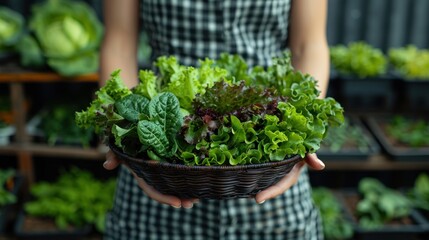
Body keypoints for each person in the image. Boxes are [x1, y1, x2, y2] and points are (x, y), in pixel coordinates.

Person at [100, 0, 328, 239]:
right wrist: (130, 144)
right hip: (161, 169)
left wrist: (301, 136)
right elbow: (119, 45)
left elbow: (308, 46)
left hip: (272, 186)